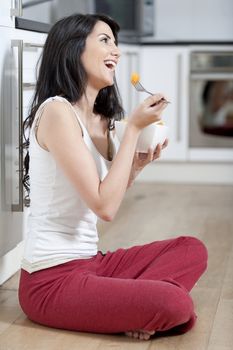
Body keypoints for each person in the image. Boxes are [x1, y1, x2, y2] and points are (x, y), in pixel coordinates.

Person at [18, 13, 208, 341]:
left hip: (92, 262)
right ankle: (137, 304)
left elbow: (100, 198)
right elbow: (105, 207)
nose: (116, 51)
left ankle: (126, 304)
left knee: (192, 248)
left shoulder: (100, 119)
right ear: (72, 49)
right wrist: (133, 129)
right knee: (175, 303)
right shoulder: (56, 112)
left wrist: (134, 167)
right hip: (49, 281)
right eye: (105, 40)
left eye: (116, 43)